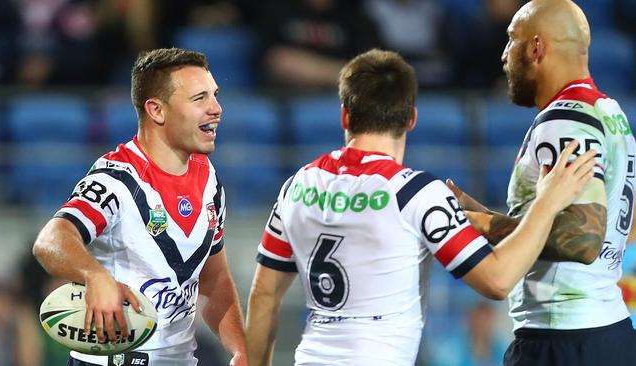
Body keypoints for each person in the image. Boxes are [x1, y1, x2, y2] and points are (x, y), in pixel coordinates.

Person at [245, 48, 597, 366]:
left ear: (345, 117)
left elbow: (264, 296)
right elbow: (498, 280)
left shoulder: (299, 184)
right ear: (411, 118)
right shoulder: (415, 193)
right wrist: (548, 202)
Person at [446, 0, 636, 365]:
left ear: (536, 48)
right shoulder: (608, 112)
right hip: (606, 333)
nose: (504, 55)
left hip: (562, 339)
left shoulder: (563, 120)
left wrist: (480, 225)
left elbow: (582, 239)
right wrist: (486, 216)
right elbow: (607, 222)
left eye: (510, 40)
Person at [32, 48, 247, 366]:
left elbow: (214, 280)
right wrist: (96, 276)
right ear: (157, 111)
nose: (216, 109)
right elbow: (51, 240)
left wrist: (242, 349)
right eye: (199, 98)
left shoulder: (209, 179)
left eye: (215, 95)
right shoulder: (116, 178)